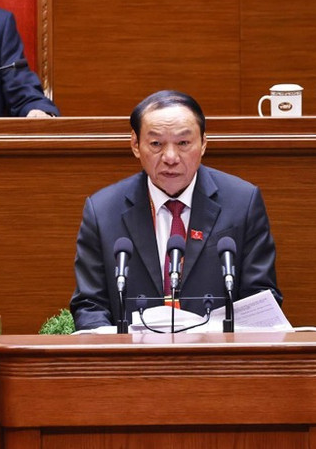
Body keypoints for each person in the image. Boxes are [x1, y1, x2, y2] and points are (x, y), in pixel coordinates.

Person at [70, 90, 282, 330]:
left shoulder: (243, 202)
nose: (170, 157)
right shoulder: (102, 211)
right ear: (135, 145)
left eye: (183, 143)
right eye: (156, 144)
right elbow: (90, 305)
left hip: (217, 360)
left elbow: (260, 297)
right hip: (134, 362)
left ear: (203, 143)